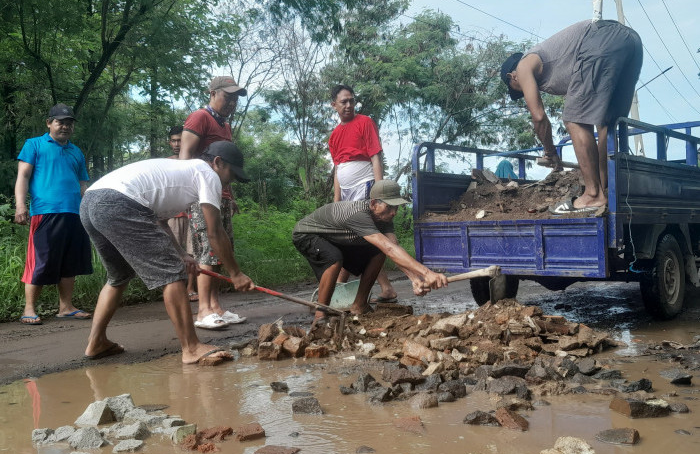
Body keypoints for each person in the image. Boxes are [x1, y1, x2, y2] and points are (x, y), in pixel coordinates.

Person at [80, 141, 255, 364]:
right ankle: (191, 348)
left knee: (119, 276)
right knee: (172, 274)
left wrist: (182, 254)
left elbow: (160, 222)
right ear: (218, 162)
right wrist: (236, 274)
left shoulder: (182, 174)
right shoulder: (207, 174)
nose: (230, 181)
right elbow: (215, 232)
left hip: (91, 202)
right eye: (231, 174)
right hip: (118, 202)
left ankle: (96, 343)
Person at [501, 20, 642, 213]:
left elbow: (539, 117)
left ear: (512, 76)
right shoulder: (557, 64)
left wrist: (550, 152)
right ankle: (603, 189)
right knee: (607, 123)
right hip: (630, 42)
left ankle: (592, 195)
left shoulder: (524, 65)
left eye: (517, 90)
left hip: (600, 40)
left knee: (574, 119)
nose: (524, 92)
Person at [292, 179, 448, 324]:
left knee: (377, 252)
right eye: (389, 206)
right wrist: (427, 273)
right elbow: (389, 248)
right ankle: (320, 315)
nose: (394, 212)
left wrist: (415, 279)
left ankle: (359, 305)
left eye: (396, 207)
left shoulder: (383, 218)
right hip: (308, 234)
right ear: (374, 204)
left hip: (336, 238)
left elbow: (393, 247)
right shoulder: (359, 215)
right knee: (334, 258)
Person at [14, 103, 93, 325]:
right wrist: (21, 206)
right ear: (49, 123)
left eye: (69, 123)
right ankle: (29, 308)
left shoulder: (76, 151)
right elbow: (23, 176)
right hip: (45, 212)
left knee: (71, 261)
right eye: (60, 122)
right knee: (40, 261)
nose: (65, 126)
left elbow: (83, 185)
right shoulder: (34, 145)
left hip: (74, 212)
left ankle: (66, 307)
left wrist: (89, 211)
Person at [180, 76, 248, 328]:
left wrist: (231, 196)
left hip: (221, 195)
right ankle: (203, 310)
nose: (231, 102)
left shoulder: (225, 126)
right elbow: (185, 157)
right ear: (212, 93)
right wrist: (188, 195)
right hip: (201, 193)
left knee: (222, 250)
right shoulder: (199, 117)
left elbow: (225, 166)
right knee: (208, 249)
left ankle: (216, 307)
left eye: (235, 99)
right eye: (227, 96)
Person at [328, 84, 398, 304]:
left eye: (351, 100)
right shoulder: (334, 136)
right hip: (347, 193)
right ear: (334, 105)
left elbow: (375, 157)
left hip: (366, 186)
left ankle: (339, 287)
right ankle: (385, 288)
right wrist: (336, 201)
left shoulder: (365, 122)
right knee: (360, 239)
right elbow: (338, 169)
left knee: (366, 238)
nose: (349, 105)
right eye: (344, 102)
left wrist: (379, 193)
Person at [166, 125, 197, 302]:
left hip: (192, 213)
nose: (177, 144)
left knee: (192, 252)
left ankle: (190, 288)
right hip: (172, 215)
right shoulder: (166, 162)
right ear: (169, 142)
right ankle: (174, 289)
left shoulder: (194, 161)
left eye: (180, 140)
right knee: (173, 252)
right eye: (174, 140)